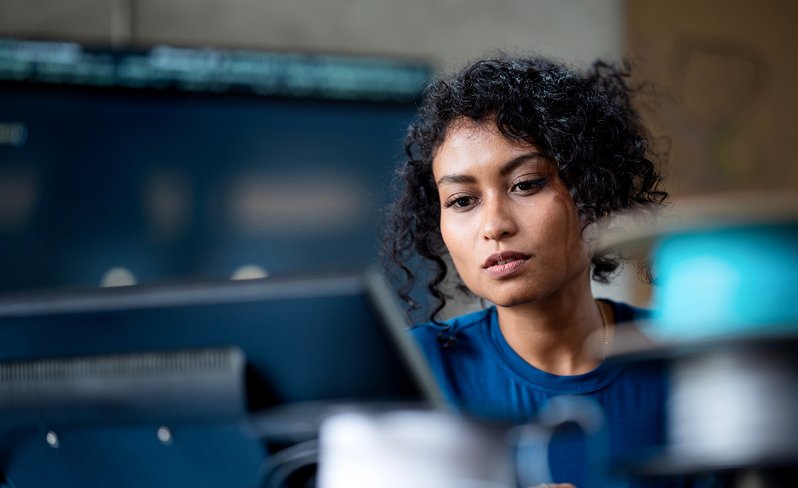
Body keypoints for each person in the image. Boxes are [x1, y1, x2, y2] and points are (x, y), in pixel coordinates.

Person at [383, 55, 682, 488]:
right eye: (462, 201)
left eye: (525, 184)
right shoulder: (412, 371)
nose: (494, 226)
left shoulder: (686, 362)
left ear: (592, 192)